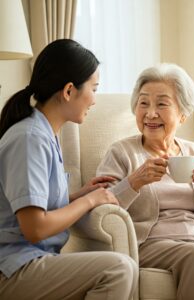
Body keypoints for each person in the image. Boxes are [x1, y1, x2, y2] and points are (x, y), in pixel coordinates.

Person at [96, 63, 194, 300]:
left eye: (161, 104)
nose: (151, 113)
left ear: (182, 113)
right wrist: (135, 182)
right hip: (152, 243)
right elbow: (103, 210)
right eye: (143, 103)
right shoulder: (121, 152)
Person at [0, 39, 138, 300]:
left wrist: (76, 196)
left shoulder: (44, 133)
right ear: (68, 91)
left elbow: (35, 207)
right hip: (12, 267)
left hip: (29, 259)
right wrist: (88, 200)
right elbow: (35, 228)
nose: (94, 100)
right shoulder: (30, 138)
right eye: (93, 89)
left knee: (121, 267)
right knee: (118, 268)